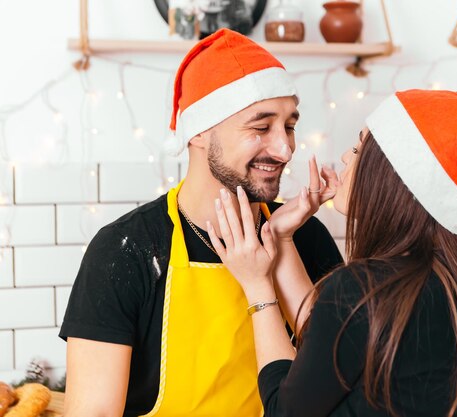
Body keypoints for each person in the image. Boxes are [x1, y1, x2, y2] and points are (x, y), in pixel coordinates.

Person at [209, 89, 457, 417]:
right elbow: (332, 338)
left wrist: (257, 287)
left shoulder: (361, 288)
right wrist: (281, 237)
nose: (346, 156)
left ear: (392, 177)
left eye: (358, 149)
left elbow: (285, 410)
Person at [59, 29, 343, 417]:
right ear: (199, 133)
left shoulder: (303, 237)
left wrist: (283, 246)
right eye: (261, 127)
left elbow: (345, 381)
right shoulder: (126, 250)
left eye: (289, 126)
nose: (285, 149)